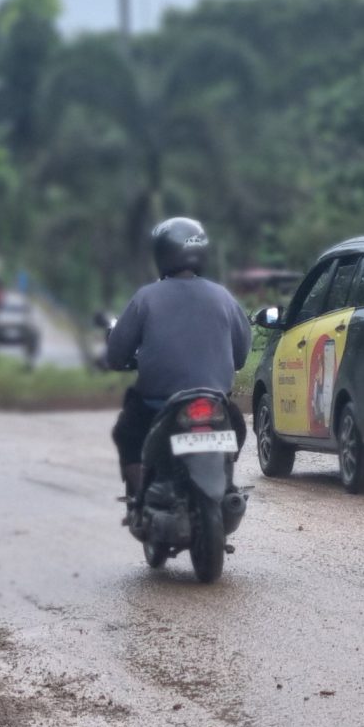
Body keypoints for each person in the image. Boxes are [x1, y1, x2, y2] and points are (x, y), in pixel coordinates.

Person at [102, 217, 251, 513]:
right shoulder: (224, 297)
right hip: (216, 402)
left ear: (161, 253)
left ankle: (140, 500)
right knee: (237, 426)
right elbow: (242, 353)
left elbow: (117, 353)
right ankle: (225, 483)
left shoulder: (146, 297)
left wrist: (122, 361)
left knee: (127, 433)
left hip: (159, 405)